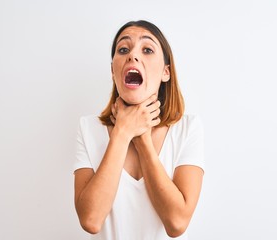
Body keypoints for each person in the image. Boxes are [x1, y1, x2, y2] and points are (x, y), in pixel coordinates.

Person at [73, 20, 204, 240]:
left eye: (147, 50)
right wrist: (122, 133)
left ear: (166, 72)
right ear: (113, 70)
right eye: (123, 49)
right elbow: (90, 220)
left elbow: (177, 223)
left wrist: (142, 138)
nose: (132, 56)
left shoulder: (187, 129)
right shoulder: (88, 128)